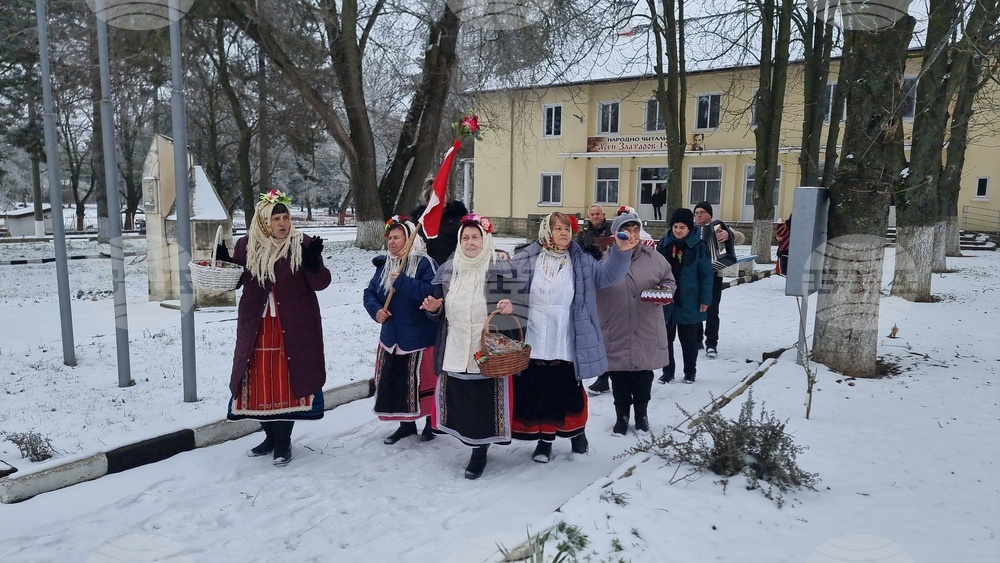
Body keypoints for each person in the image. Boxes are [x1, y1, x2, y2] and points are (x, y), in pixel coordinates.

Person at [511, 211, 636, 463]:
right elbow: (507, 286)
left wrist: (622, 253)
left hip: (567, 339)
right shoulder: (526, 259)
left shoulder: (582, 261)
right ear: (547, 231)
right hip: (534, 339)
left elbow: (609, 275)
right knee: (538, 391)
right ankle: (544, 442)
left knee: (568, 393)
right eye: (557, 228)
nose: (563, 233)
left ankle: (577, 434)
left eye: (567, 228)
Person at [223, 190, 330, 466]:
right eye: (276, 218)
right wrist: (224, 262)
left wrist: (314, 264)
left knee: (287, 385)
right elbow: (235, 280)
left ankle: (283, 441)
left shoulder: (302, 244)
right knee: (258, 385)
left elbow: (321, 283)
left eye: (285, 217)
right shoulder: (247, 245)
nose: (282, 223)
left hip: (293, 326)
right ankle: (269, 436)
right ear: (263, 222)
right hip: (257, 327)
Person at [420, 214, 516, 480]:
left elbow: (515, 304)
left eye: (476, 237)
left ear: (485, 239)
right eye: (465, 237)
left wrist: (509, 307)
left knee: (482, 400)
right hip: (455, 345)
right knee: (463, 398)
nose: (470, 242)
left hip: (486, 348)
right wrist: (433, 309)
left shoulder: (500, 268)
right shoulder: (449, 270)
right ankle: (472, 441)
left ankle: (479, 451)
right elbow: (438, 309)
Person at [595, 211, 676, 434]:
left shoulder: (654, 258)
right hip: (615, 326)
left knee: (643, 376)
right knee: (618, 376)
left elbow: (669, 279)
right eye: (626, 231)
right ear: (615, 235)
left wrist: (665, 290)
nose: (631, 235)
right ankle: (621, 418)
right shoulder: (604, 259)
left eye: (635, 230)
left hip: (646, 325)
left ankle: (642, 416)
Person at [363, 216, 439, 445]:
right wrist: (376, 311)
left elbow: (432, 293)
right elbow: (370, 293)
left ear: (409, 238)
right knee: (398, 384)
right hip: (391, 338)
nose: (392, 242)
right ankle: (406, 426)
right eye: (390, 238)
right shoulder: (385, 264)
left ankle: (430, 425)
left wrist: (403, 282)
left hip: (419, 339)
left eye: (397, 237)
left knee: (423, 385)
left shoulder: (425, 263)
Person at [656, 208, 713, 384]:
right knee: (665, 339)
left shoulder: (699, 247)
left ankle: (690, 371)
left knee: (689, 340)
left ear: (689, 228)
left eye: (682, 227)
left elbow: (706, 275)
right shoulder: (664, 244)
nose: (678, 230)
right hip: (667, 301)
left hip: (690, 300)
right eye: (675, 226)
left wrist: (705, 299)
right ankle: (668, 371)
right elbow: (655, 271)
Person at [692, 201, 745, 358]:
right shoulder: (691, 229)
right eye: (696, 213)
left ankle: (711, 344)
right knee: (694, 309)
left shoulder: (718, 227)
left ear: (710, 215)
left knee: (712, 310)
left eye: (702, 212)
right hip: (694, 276)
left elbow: (741, 237)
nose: (698, 215)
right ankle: (697, 340)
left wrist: (729, 235)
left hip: (714, 274)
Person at [410, 192, 468, 267]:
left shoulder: (457, 219)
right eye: (437, 195)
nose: (442, 198)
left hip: (446, 268)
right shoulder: (418, 220)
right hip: (420, 267)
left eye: (444, 194)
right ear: (428, 200)